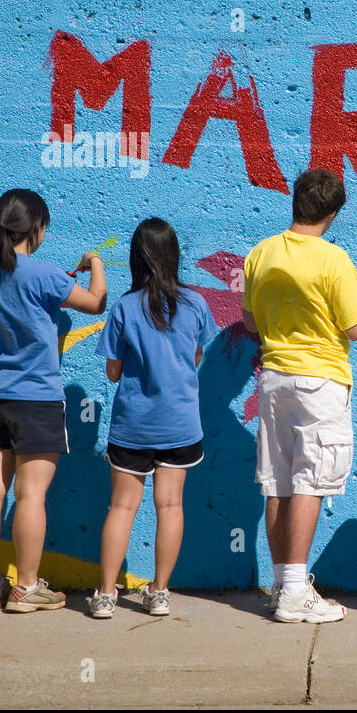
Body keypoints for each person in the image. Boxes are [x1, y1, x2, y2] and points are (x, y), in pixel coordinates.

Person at [0, 188, 107, 612]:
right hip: (38, 400)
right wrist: (95, 264)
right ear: (37, 228)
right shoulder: (45, 274)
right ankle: (26, 587)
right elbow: (96, 303)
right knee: (31, 495)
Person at [242, 169, 357, 624]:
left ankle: (282, 586)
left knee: (277, 481)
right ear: (331, 214)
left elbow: (251, 324)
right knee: (310, 480)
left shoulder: (261, 253)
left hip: (273, 377)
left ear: (295, 202)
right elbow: (354, 328)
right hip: (320, 381)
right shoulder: (335, 260)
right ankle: (295, 590)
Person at [88, 219, 217, 619]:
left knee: (122, 508)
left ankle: (107, 595)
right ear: (174, 256)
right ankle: (159, 592)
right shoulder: (196, 304)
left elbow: (112, 372)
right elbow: (196, 357)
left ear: (136, 259)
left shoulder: (125, 307)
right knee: (170, 505)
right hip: (180, 424)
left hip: (132, 426)